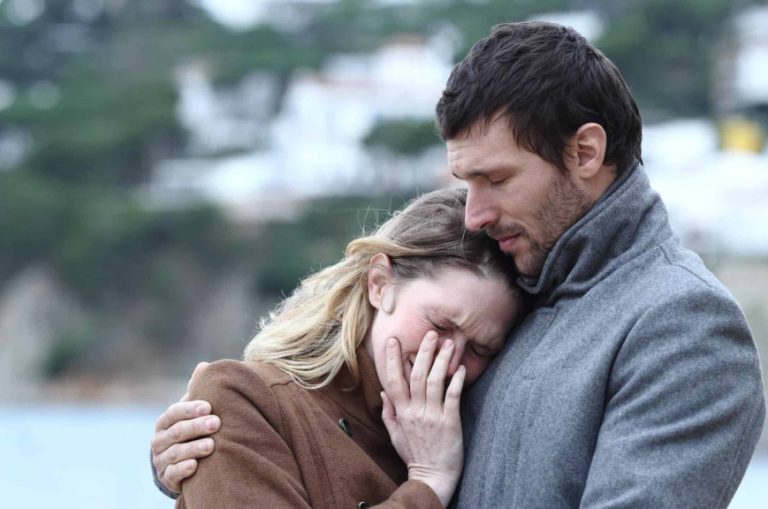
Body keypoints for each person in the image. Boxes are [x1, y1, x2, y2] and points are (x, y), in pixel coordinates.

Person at [152, 21, 766, 507]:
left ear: (585, 151)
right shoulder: (526, 284)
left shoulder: (680, 323)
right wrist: (219, 456)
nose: (474, 214)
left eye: (496, 178)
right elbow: (348, 436)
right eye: (464, 182)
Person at [156, 187, 521, 508]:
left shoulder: (476, 425)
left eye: (480, 350)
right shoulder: (246, 398)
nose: (448, 359)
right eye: (439, 324)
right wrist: (427, 484)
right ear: (380, 284)